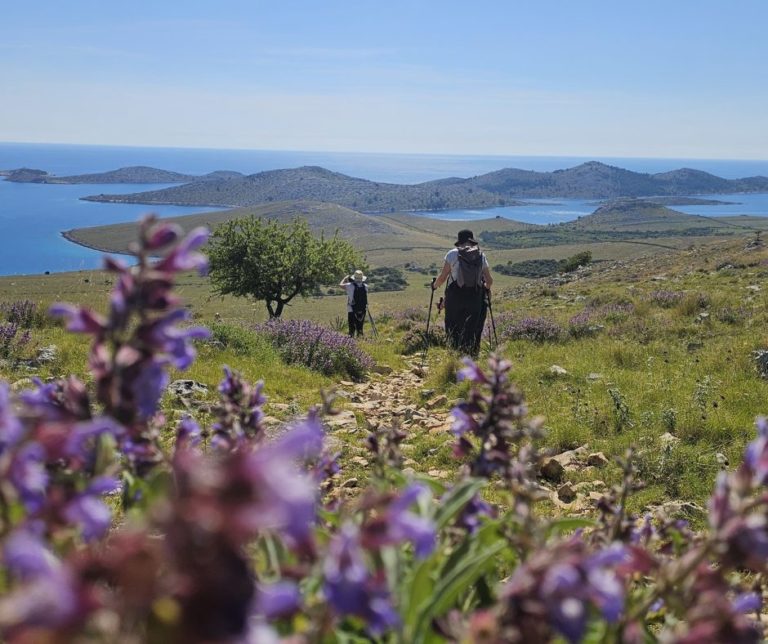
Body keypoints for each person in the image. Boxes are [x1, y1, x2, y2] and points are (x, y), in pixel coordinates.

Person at [432, 229, 493, 355]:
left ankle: (454, 354)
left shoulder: (452, 254)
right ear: (472, 240)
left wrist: (434, 286)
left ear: (459, 241)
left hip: (455, 296)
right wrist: (485, 289)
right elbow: (489, 280)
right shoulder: (480, 255)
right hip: (475, 296)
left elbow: (443, 277)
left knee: (452, 325)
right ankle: (472, 354)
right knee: (472, 326)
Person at [340, 270, 369, 337]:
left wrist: (345, 278)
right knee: (360, 326)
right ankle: (360, 338)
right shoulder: (365, 286)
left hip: (351, 309)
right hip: (363, 309)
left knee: (352, 326)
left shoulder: (349, 286)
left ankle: (351, 339)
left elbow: (340, 285)